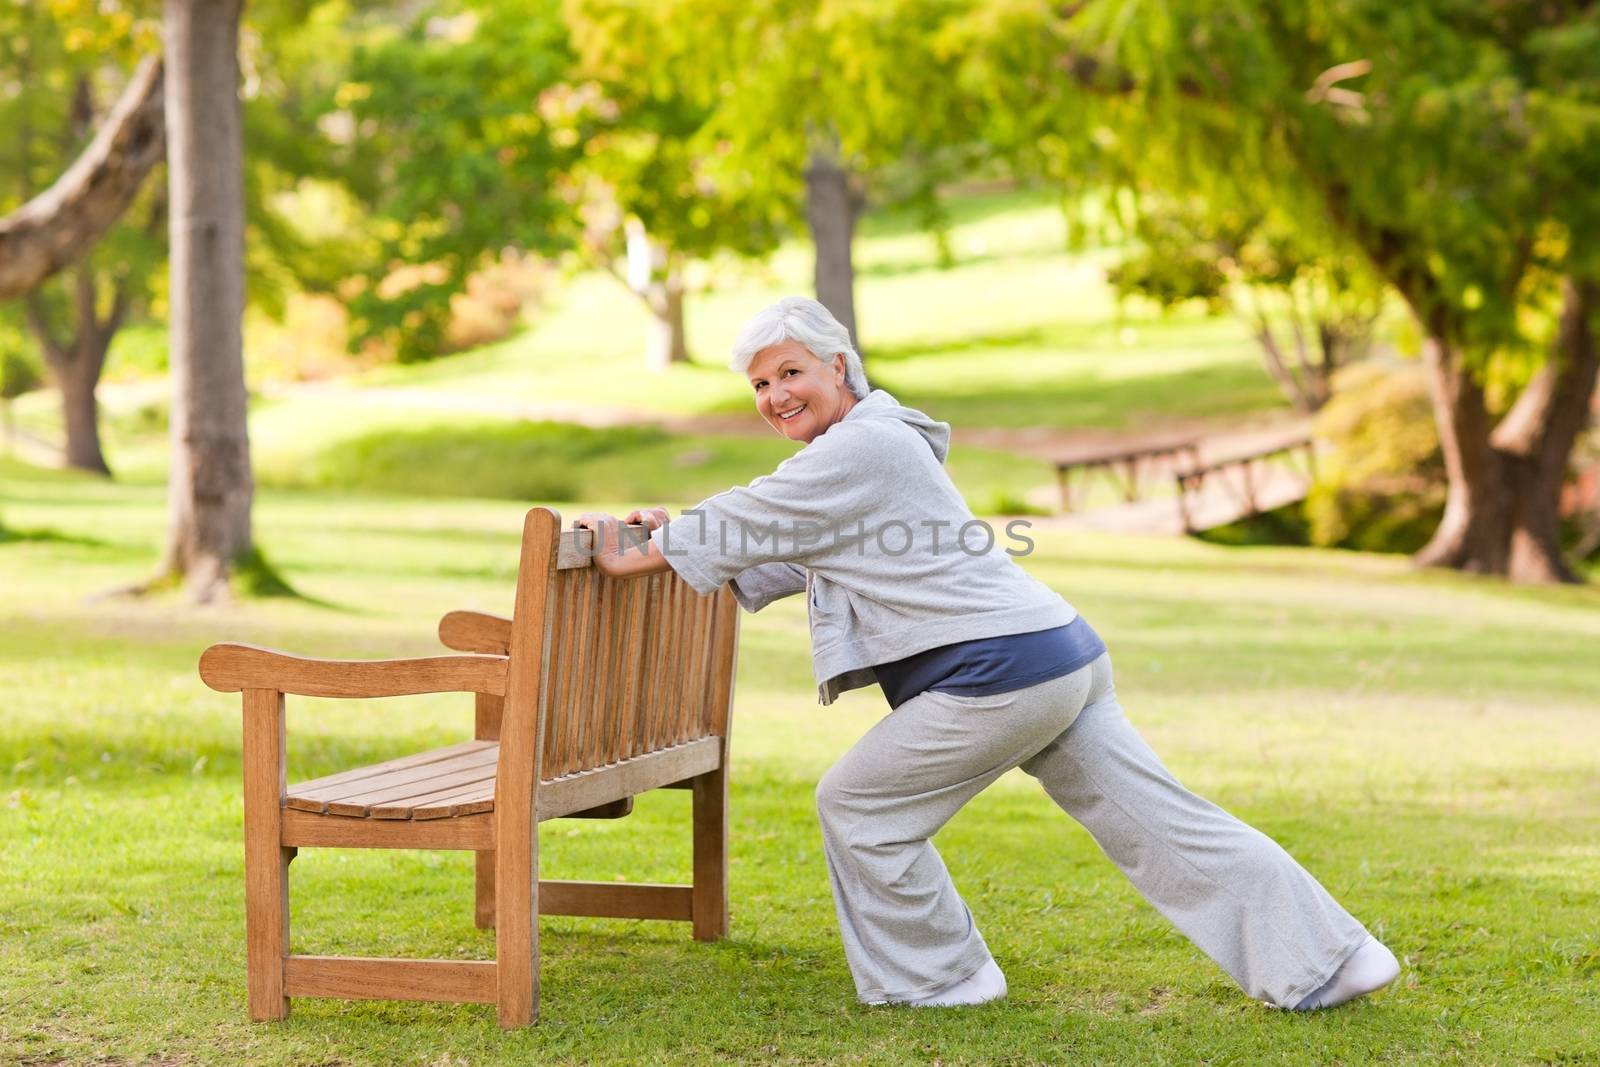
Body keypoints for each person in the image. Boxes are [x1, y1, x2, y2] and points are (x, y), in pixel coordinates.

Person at [573, 296, 1399, 1010]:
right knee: (1162, 821)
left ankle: (941, 978)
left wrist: (635, 547)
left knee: (859, 806)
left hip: (1000, 675)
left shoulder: (862, 446)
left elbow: (749, 514)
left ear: (837, 364)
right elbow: (775, 548)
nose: (775, 395)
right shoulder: (864, 449)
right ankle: (1333, 958)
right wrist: (669, 537)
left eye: (789, 372)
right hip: (1060, 658)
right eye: (758, 384)